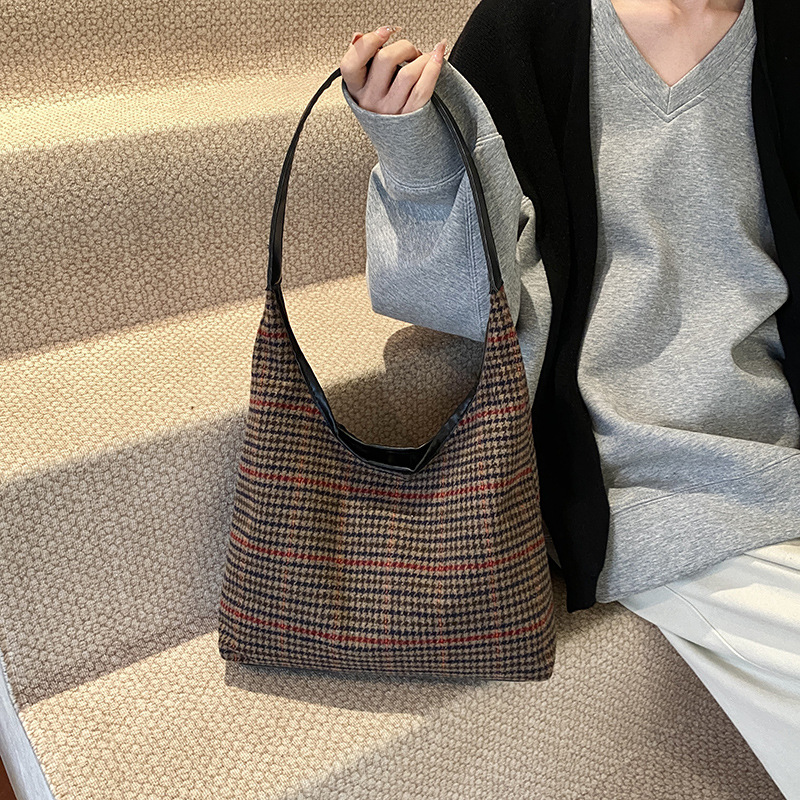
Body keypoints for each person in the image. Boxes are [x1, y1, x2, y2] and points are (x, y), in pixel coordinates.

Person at [338, 4, 800, 797]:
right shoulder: (533, 26)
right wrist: (414, 152)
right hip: (638, 477)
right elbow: (455, 301)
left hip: (779, 446)